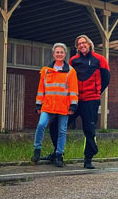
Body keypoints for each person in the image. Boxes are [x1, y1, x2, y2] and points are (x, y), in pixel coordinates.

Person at [41, 34, 110, 169]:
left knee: (89, 129)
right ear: (77, 47)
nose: (82, 45)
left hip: (91, 100)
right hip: (74, 100)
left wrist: (96, 93)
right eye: (79, 44)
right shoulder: (73, 61)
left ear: (89, 44)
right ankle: (57, 153)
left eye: (84, 43)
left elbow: (106, 79)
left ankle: (88, 158)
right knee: (55, 126)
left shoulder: (100, 60)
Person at [31, 43, 78, 167]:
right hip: (48, 105)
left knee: (62, 131)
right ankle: (37, 150)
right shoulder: (46, 71)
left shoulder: (71, 71)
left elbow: (73, 90)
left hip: (63, 106)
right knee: (41, 125)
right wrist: (38, 104)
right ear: (53, 54)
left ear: (65, 54)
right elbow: (41, 89)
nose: (59, 54)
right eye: (57, 52)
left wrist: (73, 105)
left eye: (61, 52)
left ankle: (59, 155)